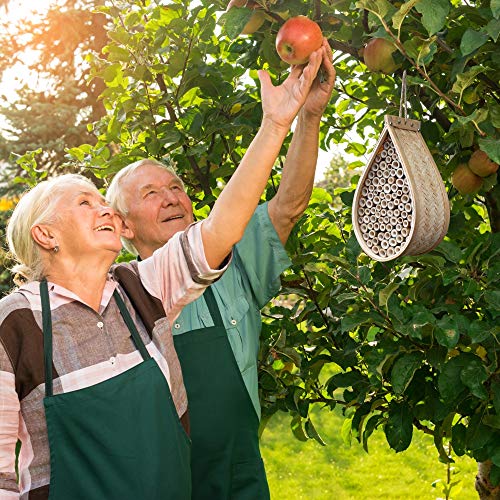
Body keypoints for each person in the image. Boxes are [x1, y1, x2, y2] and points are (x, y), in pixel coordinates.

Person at [0, 48, 325, 500]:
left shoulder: (142, 290)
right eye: (85, 202)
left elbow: (222, 228)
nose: (104, 211)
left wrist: (279, 124)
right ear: (47, 234)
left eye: (176, 187)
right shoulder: (16, 323)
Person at [106, 39, 336, 499]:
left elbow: (288, 207)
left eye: (176, 187)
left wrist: (308, 117)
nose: (172, 196)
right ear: (123, 226)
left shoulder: (231, 262)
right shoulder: (112, 298)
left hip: (238, 475)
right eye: (151, 193)